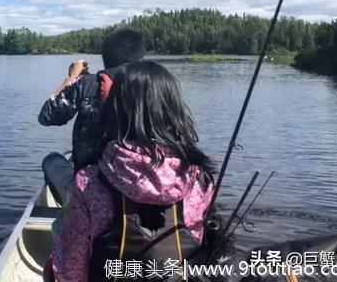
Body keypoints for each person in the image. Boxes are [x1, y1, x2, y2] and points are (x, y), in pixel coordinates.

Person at [46, 61, 214, 282]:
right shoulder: (198, 179)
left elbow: (71, 272)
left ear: (114, 110)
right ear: (174, 111)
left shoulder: (89, 181)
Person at [38, 29, 146, 173]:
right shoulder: (156, 84)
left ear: (105, 57)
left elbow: (46, 117)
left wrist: (72, 78)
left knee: (51, 160)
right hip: (138, 178)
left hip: (91, 182)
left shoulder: (87, 84)